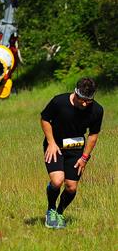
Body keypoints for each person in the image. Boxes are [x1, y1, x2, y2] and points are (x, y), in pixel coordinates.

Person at [40, 77, 103, 229]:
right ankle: (51, 210)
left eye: (88, 100)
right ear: (76, 92)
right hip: (55, 146)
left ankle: (60, 213)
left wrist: (84, 157)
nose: (84, 104)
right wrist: (51, 142)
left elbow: (93, 135)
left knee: (71, 187)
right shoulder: (59, 102)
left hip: (76, 149)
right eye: (82, 99)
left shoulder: (97, 110)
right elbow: (45, 119)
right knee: (57, 181)